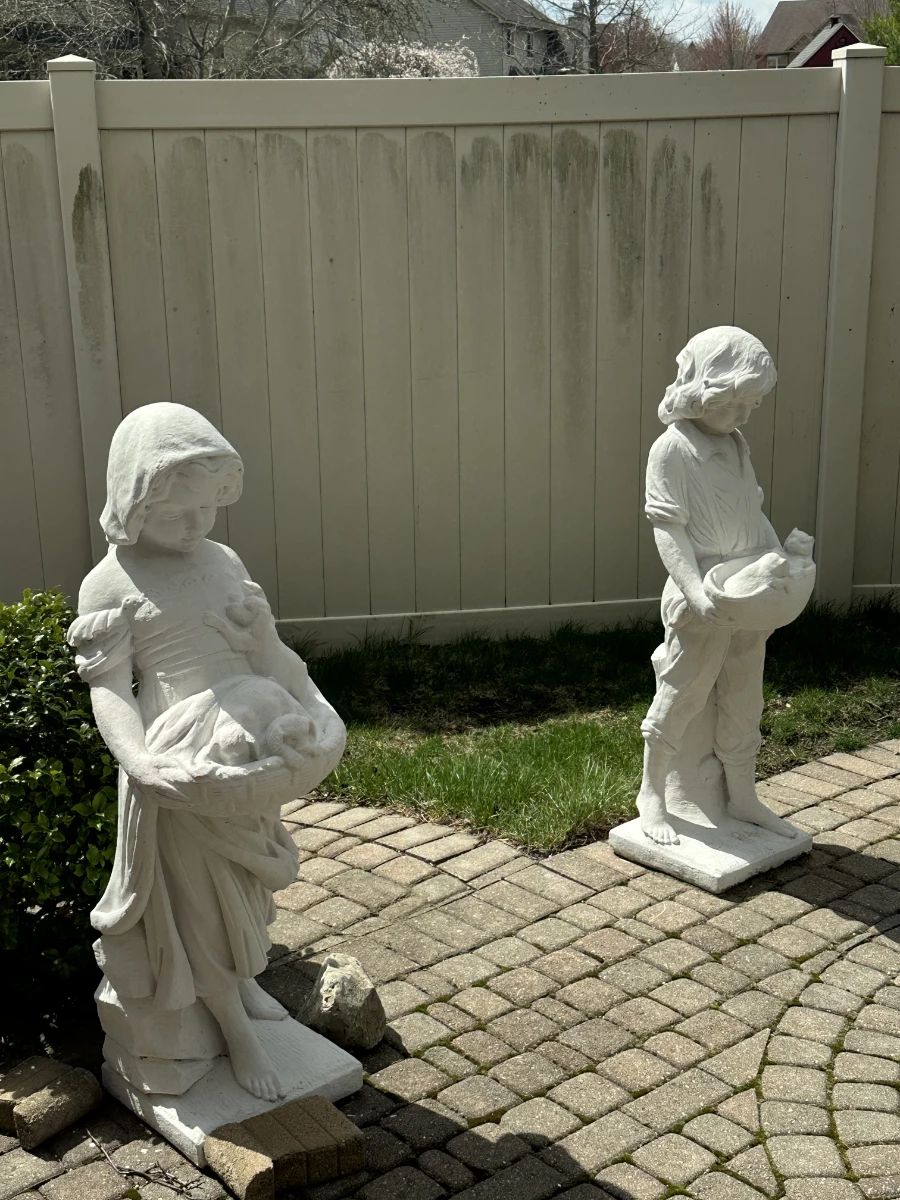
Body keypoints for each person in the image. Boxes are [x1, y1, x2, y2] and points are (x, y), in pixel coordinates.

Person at [68, 403, 346, 1101]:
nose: (195, 526)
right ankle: (233, 1029)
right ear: (133, 502)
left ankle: (245, 984)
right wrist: (140, 764)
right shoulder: (110, 583)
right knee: (198, 904)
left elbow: (267, 652)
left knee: (241, 888)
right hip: (179, 760)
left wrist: (281, 668)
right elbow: (111, 692)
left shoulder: (223, 561)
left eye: (206, 509)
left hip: (246, 746)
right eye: (174, 514)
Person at [637, 327, 799, 847]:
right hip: (702, 595)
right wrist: (694, 591)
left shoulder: (735, 444)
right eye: (735, 403)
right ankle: (652, 793)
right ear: (702, 389)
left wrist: (780, 554)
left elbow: (752, 511)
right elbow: (668, 528)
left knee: (744, 695)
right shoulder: (672, 449)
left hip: (748, 590)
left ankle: (743, 796)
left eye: (752, 405)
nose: (744, 415)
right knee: (684, 689)